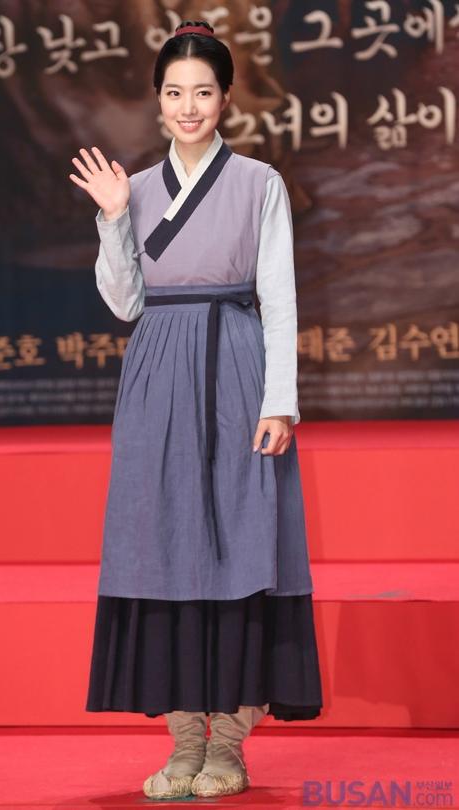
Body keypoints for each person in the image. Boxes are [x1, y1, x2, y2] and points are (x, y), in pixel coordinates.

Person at [69, 18, 323, 800]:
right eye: (175, 93)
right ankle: (185, 745)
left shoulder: (259, 184)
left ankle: (231, 747)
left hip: (237, 368)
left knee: (244, 545)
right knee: (163, 544)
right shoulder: (137, 189)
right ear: (157, 100)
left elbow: (279, 296)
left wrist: (281, 400)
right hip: (157, 376)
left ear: (226, 98)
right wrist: (113, 218)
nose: (188, 107)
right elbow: (124, 303)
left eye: (202, 92)